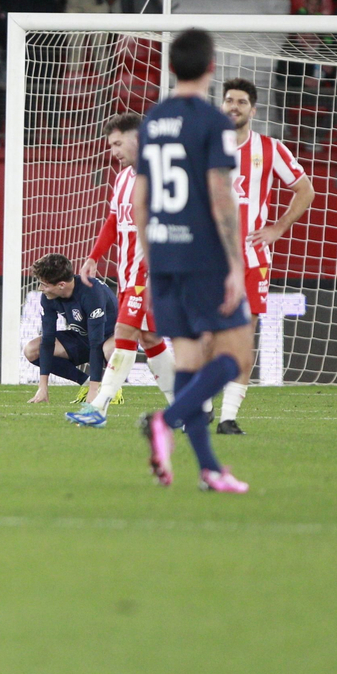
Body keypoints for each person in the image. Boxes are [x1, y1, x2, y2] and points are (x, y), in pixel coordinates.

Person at [134, 28, 254, 493]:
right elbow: (220, 193)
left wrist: (150, 263)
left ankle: (209, 470)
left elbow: (141, 199)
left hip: (164, 253)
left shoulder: (153, 120)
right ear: (211, 67)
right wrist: (236, 265)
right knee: (236, 356)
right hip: (203, 254)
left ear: (170, 67)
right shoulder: (212, 121)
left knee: (187, 360)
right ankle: (165, 420)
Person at [213, 78, 314, 434]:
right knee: (205, 337)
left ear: (253, 110)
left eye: (241, 102)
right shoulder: (206, 146)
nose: (234, 106)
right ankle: (203, 405)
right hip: (210, 258)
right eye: (229, 100)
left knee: (243, 336)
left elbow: (305, 190)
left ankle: (227, 417)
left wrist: (278, 227)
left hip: (252, 259)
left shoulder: (270, 149)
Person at [67, 112, 180, 424]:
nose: (113, 151)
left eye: (118, 143)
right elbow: (115, 220)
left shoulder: (162, 176)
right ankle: (185, 408)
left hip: (151, 273)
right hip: (128, 273)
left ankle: (99, 407)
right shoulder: (123, 178)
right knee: (150, 340)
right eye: (111, 145)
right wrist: (94, 257)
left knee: (123, 333)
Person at [24, 252, 118, 406]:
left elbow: (96, 342)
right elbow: (48, 340)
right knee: (32, 350)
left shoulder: (92, 292)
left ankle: (112, 389)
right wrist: (43, 386)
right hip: (83, 337)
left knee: (109, 350)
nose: (41, 289)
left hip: (111, 337)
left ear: (61, 285)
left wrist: (94, 391)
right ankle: (85, 382)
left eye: (45, 285)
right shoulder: (48, 297)